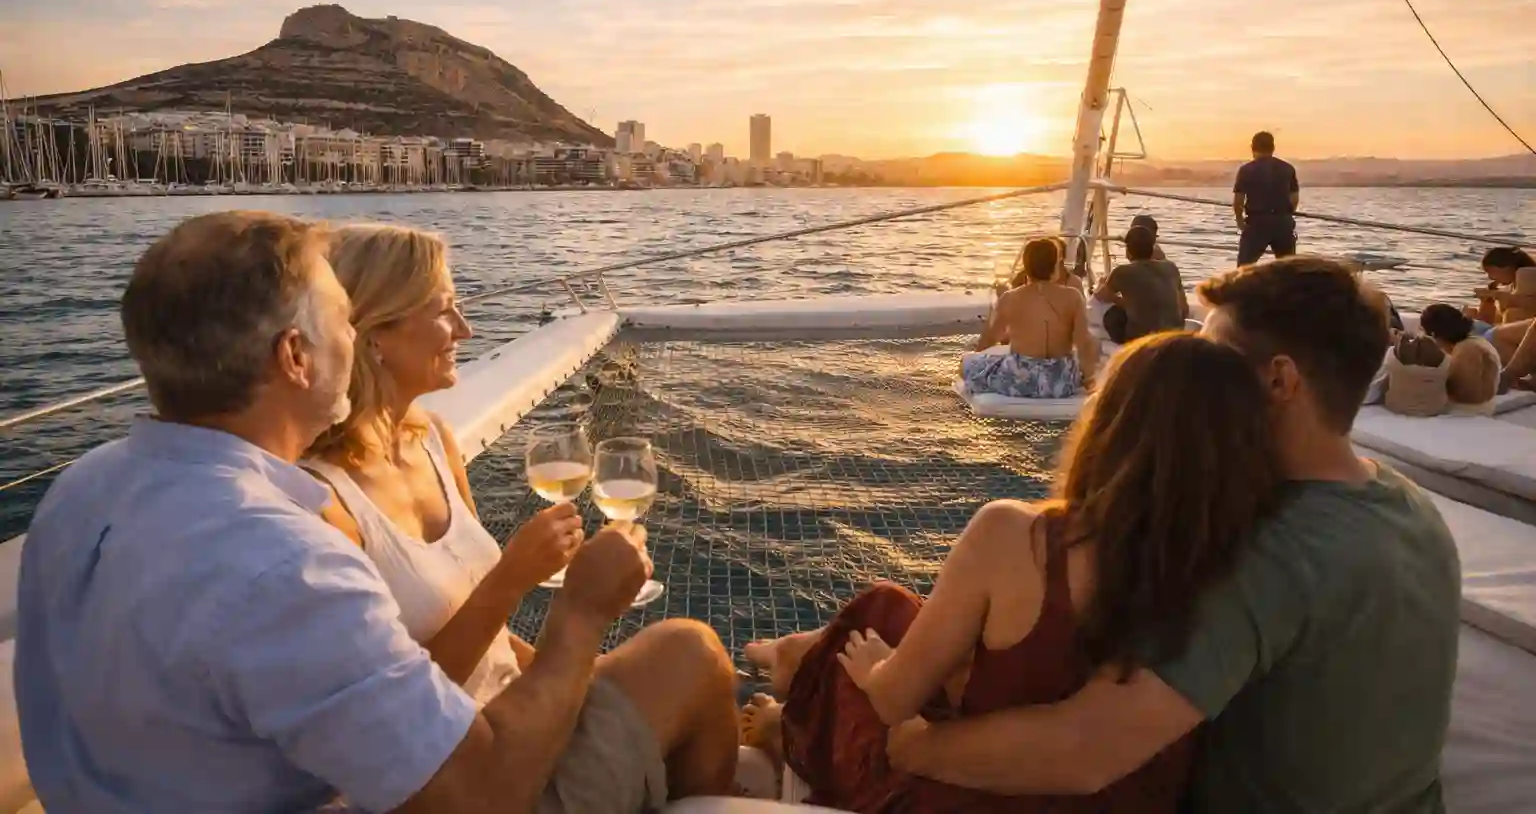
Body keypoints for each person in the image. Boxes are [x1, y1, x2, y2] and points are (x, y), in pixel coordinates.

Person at [15, 212, 738, 813]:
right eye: (342, 320)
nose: (355, 338)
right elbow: (480, 795)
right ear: (296, 356)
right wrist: (580, 612)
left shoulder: (81, 490)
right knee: (688, 652)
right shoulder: (284, 561)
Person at [887, 257, 1461, 813]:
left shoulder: (1267, 549)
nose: (1187, 371)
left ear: (1280, 380)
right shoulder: (1408, 505)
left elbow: (1083, 751)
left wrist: (910, 744)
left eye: (1210, 357)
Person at [740, 333, 1285, 812]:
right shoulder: (1238, 570)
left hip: (978, 794)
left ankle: (784, 725)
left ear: (1110, 426)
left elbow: (892, 703)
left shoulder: (1015, 536)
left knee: (867, 650)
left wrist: (881, 670)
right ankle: (789, 665)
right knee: (886, 607)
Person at [301, 222, 578, 704]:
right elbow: (394, 711)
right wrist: (512, 579)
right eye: (444, 311)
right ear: (373, 335)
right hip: (463, 762)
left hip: (518, 713)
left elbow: (492, 642)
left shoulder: (433, 439)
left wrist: (573, 681)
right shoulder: (322, 502)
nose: (466, 331)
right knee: (685, 651)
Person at [967, 237, 1098, 398]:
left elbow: (991, 338)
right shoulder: (1074, 296)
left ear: (1026, 267)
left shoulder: (1010, 298)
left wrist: (977, 357)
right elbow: (1083, 342)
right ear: (1055, 266)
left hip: (1020, 380)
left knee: (966, 363)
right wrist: (1089, 378)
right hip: (1060, 382)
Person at [1094, 225, 1186, 344]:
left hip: (1143, 337)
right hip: (1174, 335)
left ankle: (1124, 347)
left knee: (1113, 314)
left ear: (1128, 250)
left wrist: (1105, 286)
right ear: (1152, 249)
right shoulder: (1171, 267)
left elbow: (1101, 296)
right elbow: (1184, 308)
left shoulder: (1122, 272)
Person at [1233, 130, 1299, 265]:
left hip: (1257, 223)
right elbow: (1294, 198)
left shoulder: (1246, 170)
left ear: (1252, 148)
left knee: (1244, 269)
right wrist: (1286, 215)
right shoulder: (1287, 168)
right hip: (1282, 223)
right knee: (1288, 269)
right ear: (1273, 148)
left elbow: (1238, 201)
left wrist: (1240, 222)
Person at [1418, 303, 1500, 411]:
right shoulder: (1478, 342)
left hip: (1465, 412)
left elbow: (1463, 393)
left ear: (1433, 334)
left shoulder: (1465, 350)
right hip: (1485, 407)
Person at [1465, 246, 1534, 326]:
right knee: (1471, 312)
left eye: (1490, 271)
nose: (1490, 277)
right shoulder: (1511, 286)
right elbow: (1490, 320)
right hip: (1508, 330)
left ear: (1506, 267)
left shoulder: (1526, 273)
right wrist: (1488, 299)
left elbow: (1530, 304)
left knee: (1512, 313)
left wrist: (1494, 294)